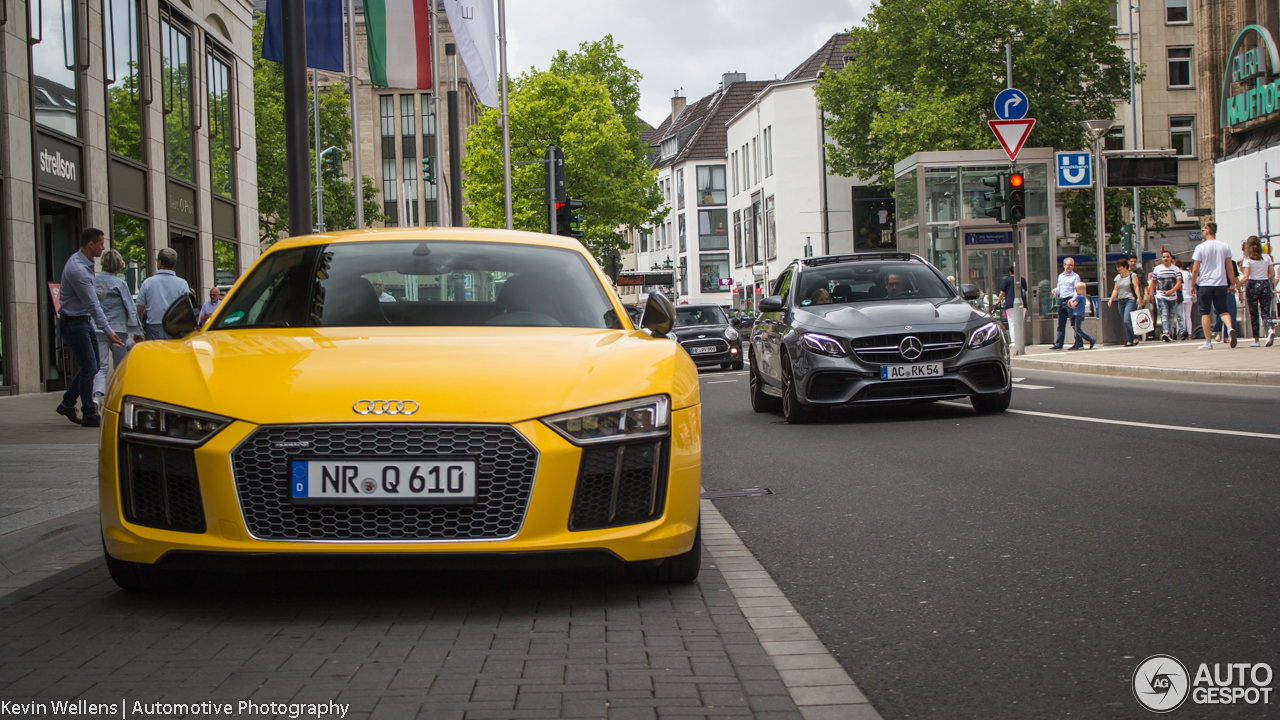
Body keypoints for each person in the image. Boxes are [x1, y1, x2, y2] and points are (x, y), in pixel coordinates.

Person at [55, 228, 122, 428]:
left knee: (89, 367)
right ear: (90, 245)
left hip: (82, 321)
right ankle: (89, 414)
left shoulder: (85, 262)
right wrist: (109, 331)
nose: (103, 247)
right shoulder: (77, 269)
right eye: (101, 243)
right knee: (90, 368)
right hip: (73, 323)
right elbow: (93, 304)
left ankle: (68, 403)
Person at [93, 249, 143, 409]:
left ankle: (97, 395)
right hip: (118, 329)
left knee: (100, 366)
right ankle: (118, 397)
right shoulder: (119, 283)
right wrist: (137, 331)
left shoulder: (94, 280)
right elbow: (130, 307)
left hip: (98, 327)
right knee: (120, 364)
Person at [1191, 222, 1238, 349]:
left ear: (1207, 231)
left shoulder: (1200, 248)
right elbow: (1229, 267)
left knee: (1205, 312)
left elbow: (1195, 269)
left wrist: (1192, 285)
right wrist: (1232, 282)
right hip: (1221, 284)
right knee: (1223, 310)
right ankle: (1229, 328)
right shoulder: (1225, 246)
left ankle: (1208, 342)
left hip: (1205, 284)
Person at [135, 248, 191, 340]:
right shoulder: (182, 284)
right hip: (175, 327)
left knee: (156, 354)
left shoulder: (148, 283)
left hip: (154, 327)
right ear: (174, 264)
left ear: (160, 262)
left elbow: (139, 310)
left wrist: (138, 331)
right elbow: (187, 308)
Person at [1239, 235, 1276, 346]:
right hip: (1264, 284)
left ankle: (1256, 340)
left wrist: (1237, 285)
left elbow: (1246, 276)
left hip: (1252, 286)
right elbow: (1272, 273)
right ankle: (1270, 330)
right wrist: (1264, 278)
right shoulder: (1266, 257)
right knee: (1265, 312)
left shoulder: (1248, 259)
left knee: (1253, 313)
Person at [1151, 250, 1184, 342]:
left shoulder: (1175, 269)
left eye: (1167, 257)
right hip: (1161, 295)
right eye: (1164, 257)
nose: (1165, 259)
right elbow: (1153, 282)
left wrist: (1171, 291)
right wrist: (1151, 294)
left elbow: (1178, 283)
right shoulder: (1157, 269)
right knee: (1164, 313)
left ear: (1171, 258)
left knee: (1170, 315)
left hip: (1172, 296)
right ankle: (1165, 332)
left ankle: (1169, 334)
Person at [1108, 257, 1140, 346]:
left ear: (1125, 266)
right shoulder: (1117, 277)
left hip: (1130, 300)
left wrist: (1139, 298)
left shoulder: (1132, 276)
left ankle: (1136, 336)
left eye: (1119, 267)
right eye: (1117, 267)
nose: (1118, 269)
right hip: (1121, 301)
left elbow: (1136, 287)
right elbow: (1115, 289)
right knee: (1125, 321)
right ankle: (1129, 340)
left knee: (1127, 320)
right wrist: (1111, 299)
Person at [1050, 258, 1081, 350]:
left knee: (1073, 323)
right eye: (1068, 265)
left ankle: (1078, 342)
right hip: (1062, 301)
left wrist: (1073, 301)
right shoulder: (1061, 276)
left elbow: (1077, 290)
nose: (1070, 267)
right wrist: (1055, 290)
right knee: (1061, 323)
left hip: (1070, 301)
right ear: (1064, 265)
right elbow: (1060, 289)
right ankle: (1059, 343)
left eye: (1072, 265)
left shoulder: (1075, 277)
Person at [1068, 281, 1095, 350]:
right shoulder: (1083, 297)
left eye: (1077, 289)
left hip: (1078, 314)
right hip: (1079, 314)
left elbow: (1073, 305)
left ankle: (1090, 339)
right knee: (1077, 329)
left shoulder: (1079, 297)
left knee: (1078, 329)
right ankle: (1077, 344)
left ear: (1082, 290)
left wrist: (1071, 301)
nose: (1076, 291)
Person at [1176, 259, 1193, 340]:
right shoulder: (1188, 273)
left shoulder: (1177, 273)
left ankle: (1182, 332)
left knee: (1181, 315)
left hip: (1180, 295)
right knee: (1188, 316)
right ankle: (1189, 333)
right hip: (1189, 295)